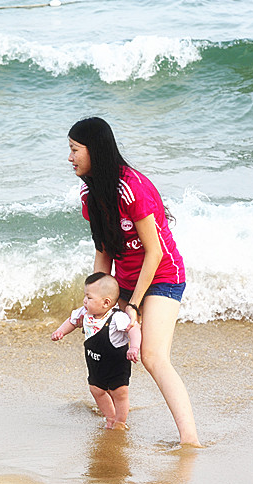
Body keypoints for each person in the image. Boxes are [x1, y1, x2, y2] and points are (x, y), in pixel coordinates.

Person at [67, 117, 201, 446]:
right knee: (104, 346)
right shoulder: (89, 194)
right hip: (124, 282)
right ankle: (116, 417)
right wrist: (96, 298)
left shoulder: (131, 187)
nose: (69, 158)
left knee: (153, 356)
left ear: (94, 150)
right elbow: (104, 252)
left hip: (163, 276)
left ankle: (190, 440)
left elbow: (154, 253)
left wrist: (134, 307)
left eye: (74, 150)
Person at [52, 272, 140, 430]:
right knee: (96, 389)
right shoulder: (84, 313)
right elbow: (71, 321)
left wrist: (134, 347)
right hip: (95, 361)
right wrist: (61, 332)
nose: (85, 301)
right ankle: (110, 417)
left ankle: (120, 421)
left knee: (119, 393)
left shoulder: (117, 318)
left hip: (116, 363)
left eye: (89, 297)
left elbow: (133, 329)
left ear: (106, 303)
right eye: (85, 296)